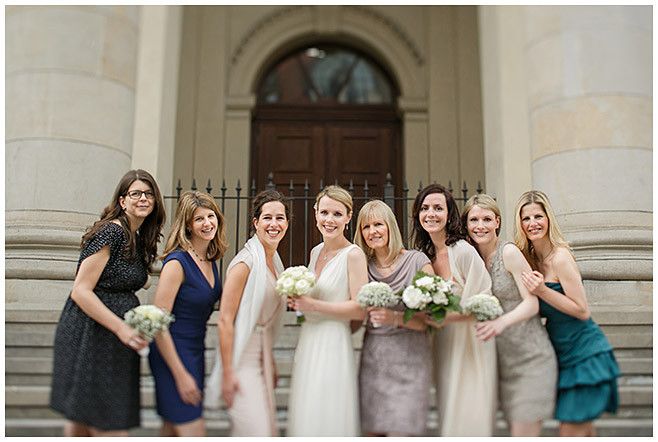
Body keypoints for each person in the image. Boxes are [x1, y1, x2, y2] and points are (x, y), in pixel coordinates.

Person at [50, 169, 166, 436]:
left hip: (114, 339)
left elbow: (121, 275)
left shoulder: (136, 236)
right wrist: (121, 327)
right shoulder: (111, 232)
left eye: (149, 194)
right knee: (107, 424)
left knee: (83, 421)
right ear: (122, 200)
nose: (143, 199)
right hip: (89, 334)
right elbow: (81, 290)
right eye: (135, 193)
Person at [514, 190, 620, 437]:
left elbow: (582, 311)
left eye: (538, 216)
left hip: (585, 355)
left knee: (569, 432)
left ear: (548, 219)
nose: (533, 224)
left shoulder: (560, 258)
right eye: (526, 219)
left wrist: (542, 290)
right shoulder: (529, 261)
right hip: (561, 356)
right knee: (583, 433)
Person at [462, 194, 557, 437]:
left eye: (486, 219)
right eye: (474, 220)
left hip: (530, 359)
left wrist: (500, 322)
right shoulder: (470, 257)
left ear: (497, 222)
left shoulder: (510, 252)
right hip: (497, 364)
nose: (480, 226)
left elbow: (532, 304)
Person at [410, 183, 496, 437]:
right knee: (449, 411)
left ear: (450, 214)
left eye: (438, 208)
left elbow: (486, 304)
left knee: (469, 414)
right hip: (442, 342)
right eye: (425, 208)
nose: (431, 214)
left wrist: (444, 318)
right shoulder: (423, 256)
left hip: (470, 344)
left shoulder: (463, 251)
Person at [205, 190, 290, 436]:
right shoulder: (245, 264)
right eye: (267, 218)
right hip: (240, 361)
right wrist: (228, 373)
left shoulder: (274, 264)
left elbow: (264, 321)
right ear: (256, 223)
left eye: (280, 218)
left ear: (287, 223)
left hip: (261, 359)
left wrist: (270, 361)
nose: (274, 224)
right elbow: (225, 321)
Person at [287, 185, 369, 437]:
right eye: (324, 213)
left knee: (329, 408)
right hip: (309, 339)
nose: (329, 220)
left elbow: (360, 308)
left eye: (336, 214)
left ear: (348, 217)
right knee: (308, 407)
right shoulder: (315, 252)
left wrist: (313, 305)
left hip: (334, 340)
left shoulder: (354, 255)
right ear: (315, 214)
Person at [148, 191, 227, 436]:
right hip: (172, 353)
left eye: (211, 216)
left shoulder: (210, 261)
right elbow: (158, 324)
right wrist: (180, 374)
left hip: (195, 350)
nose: (207, 223)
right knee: (194, 430)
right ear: (188, 226)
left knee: (172, 431)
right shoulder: (177, 263)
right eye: (199, 219)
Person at [353, 200, 434, 437]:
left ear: (390, 226)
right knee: (372, 433)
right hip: (374, 362)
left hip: (411, 360)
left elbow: (429, 320)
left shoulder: (418, 261)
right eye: (366, 227)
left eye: (378, 224)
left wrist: (394, 318)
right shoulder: (363, 267)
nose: (372, 231)